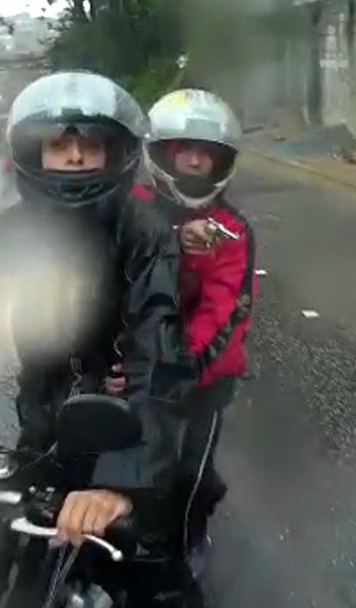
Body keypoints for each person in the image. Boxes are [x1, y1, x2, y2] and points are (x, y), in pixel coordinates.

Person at [4, 71, 203, 606]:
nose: (73, 157)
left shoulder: (144, 230)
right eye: (58, 145)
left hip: (130, 413)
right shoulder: (15, 232)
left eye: (88, 144)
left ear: (114, 152)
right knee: (8, 556)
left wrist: (123, 483)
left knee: (158, 569)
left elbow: (157, 349)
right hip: (44, 417)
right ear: (34, 153)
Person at [123, 89, 257, 569]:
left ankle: (186, 544)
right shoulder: (131, 206)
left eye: (208, 151)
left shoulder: (231, 230)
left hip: (201, 376)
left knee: (191, 472)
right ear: (163, 151)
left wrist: (177, 367)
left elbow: (224, 310)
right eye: (185, 147)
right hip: (130, 361)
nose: (196, 160)